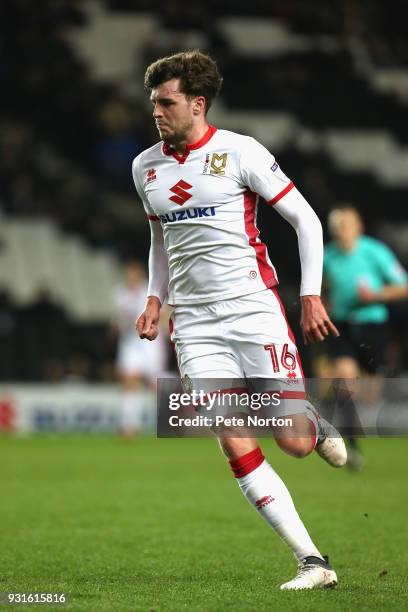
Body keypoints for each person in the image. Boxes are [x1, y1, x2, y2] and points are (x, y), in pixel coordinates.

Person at [134, 50, 346, 590]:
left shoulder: (240, 152)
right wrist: (156, 298)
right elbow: (161, 240)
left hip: (255, 309)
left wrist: (312, 295)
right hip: (196, 326)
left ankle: (311, 422)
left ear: (197, 103)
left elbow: (306, 220)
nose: (155, 111)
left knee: (294, 443)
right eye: (153, 102)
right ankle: (312, 562)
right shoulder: (145, 167)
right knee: (231, 435)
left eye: (167, 102)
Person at [323, 206, 408, 468]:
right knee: (346, 380)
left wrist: (376, 296)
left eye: (346, 223)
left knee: (372, 387)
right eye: (336, 225)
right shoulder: (327, 256)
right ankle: (351, 446)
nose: (341, 229)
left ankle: (333, 407)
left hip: (373, 325)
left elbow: (403, 287)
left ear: (358, 226)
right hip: (342, 324)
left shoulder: (375, 252)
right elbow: (323, 288)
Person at [112, 260, 167, 436]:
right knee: (130, 381)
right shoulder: (119, 294)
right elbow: (119, 320)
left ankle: (173, 419)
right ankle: (129, 426)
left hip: (151, 343)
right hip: (130, 341)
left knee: (155, 384)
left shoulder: (149, 292)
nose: (131, 276)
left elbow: (163, 313)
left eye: (134, 272)